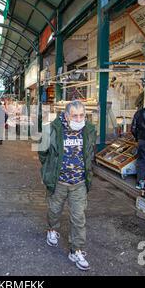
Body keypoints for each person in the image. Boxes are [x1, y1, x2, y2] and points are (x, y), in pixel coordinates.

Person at [38, 100, 96, 271]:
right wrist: (49, 171)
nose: (79, 119)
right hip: (59, 182)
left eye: (82, 115)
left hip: (79, 183)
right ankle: (52, 229)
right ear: (66, 115)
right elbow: (43, 153)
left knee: (79, 218)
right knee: (54, 211)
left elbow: (89, 152)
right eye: (75, 115)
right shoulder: (52, 130)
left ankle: (76, 250)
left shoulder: (89, 130)